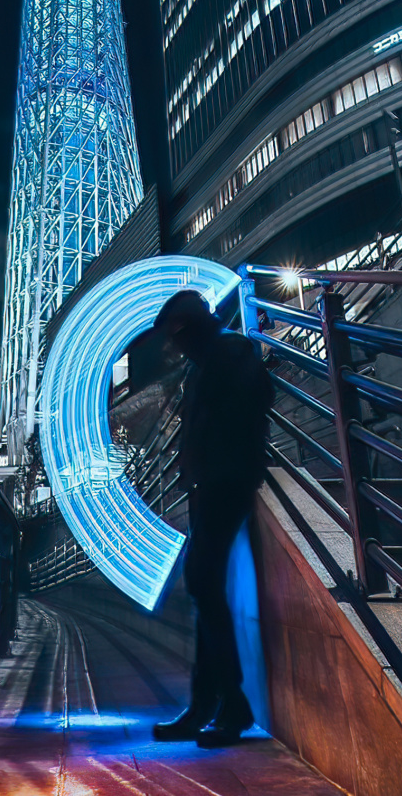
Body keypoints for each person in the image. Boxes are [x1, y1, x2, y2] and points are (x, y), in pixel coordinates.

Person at [151, 289, 274, 747]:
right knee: (204, 590)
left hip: (226, 484)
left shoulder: (230, 352)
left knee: (203, 584)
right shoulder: (206, 363)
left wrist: (216, 467)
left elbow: (251, 405)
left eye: (177, 335)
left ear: (190, 329)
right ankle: (209, 706)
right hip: (211, 487)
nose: (175, 346)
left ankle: (230, 707)